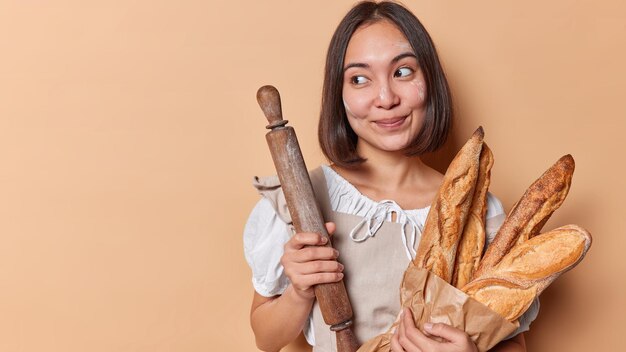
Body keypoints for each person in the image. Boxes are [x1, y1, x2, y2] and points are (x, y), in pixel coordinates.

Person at [244, 1, 538, 351]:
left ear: (430, 80)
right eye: (360, 79)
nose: (385, 98)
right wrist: (300, 290)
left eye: (403, 72)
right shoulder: (299, 203)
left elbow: (514, 344)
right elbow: (266, 339)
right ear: (340, 96)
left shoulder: (479, 213)